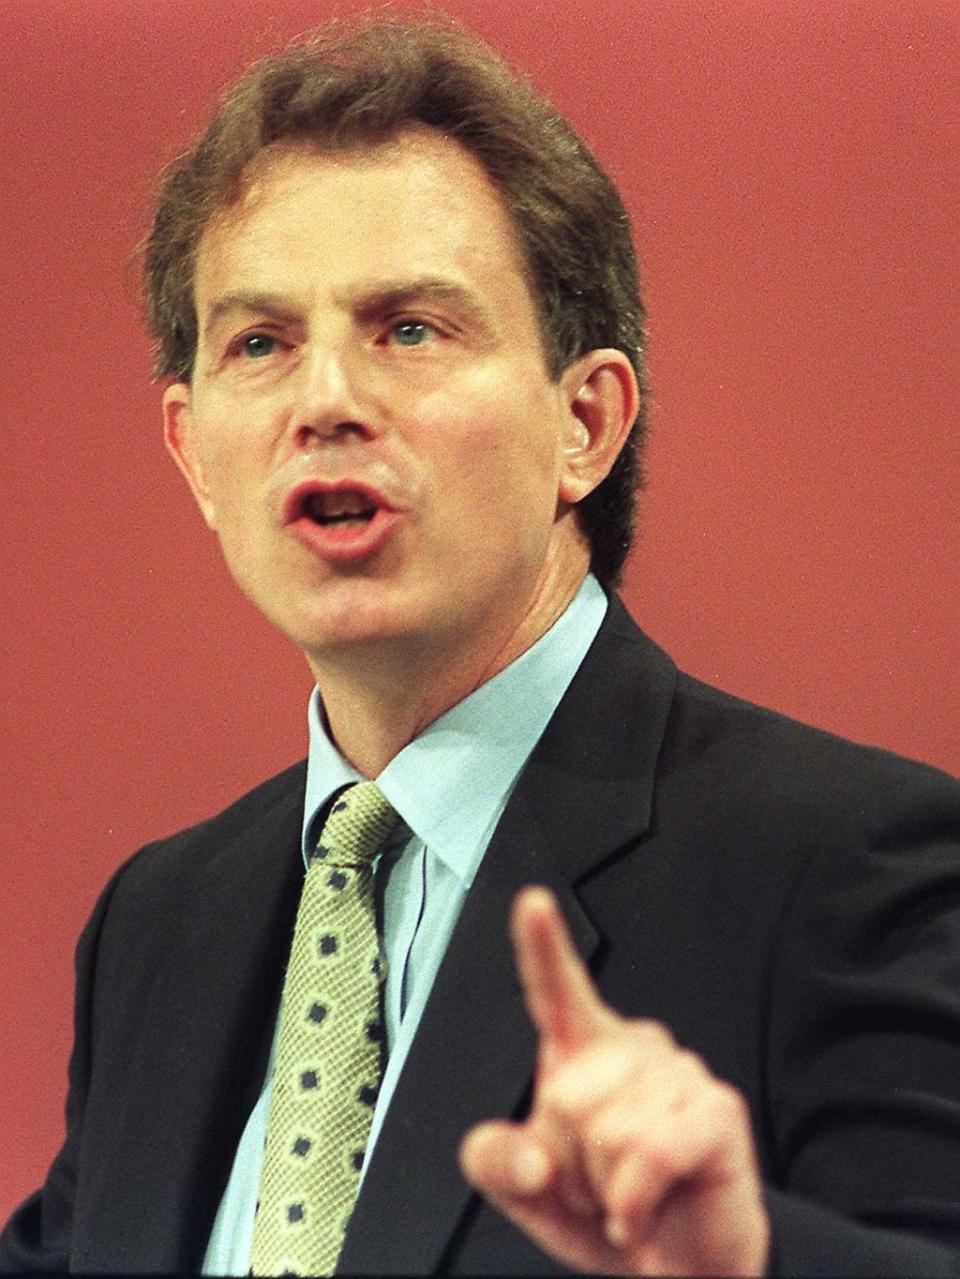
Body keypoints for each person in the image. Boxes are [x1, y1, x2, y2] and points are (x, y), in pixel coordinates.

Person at [3, 14, 959, 1277]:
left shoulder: (852, 866)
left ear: (586, 423)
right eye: (260, 343)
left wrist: (746, 1259)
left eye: (409, 328)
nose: (325, 400)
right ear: (193, 454)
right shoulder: (159, 925)